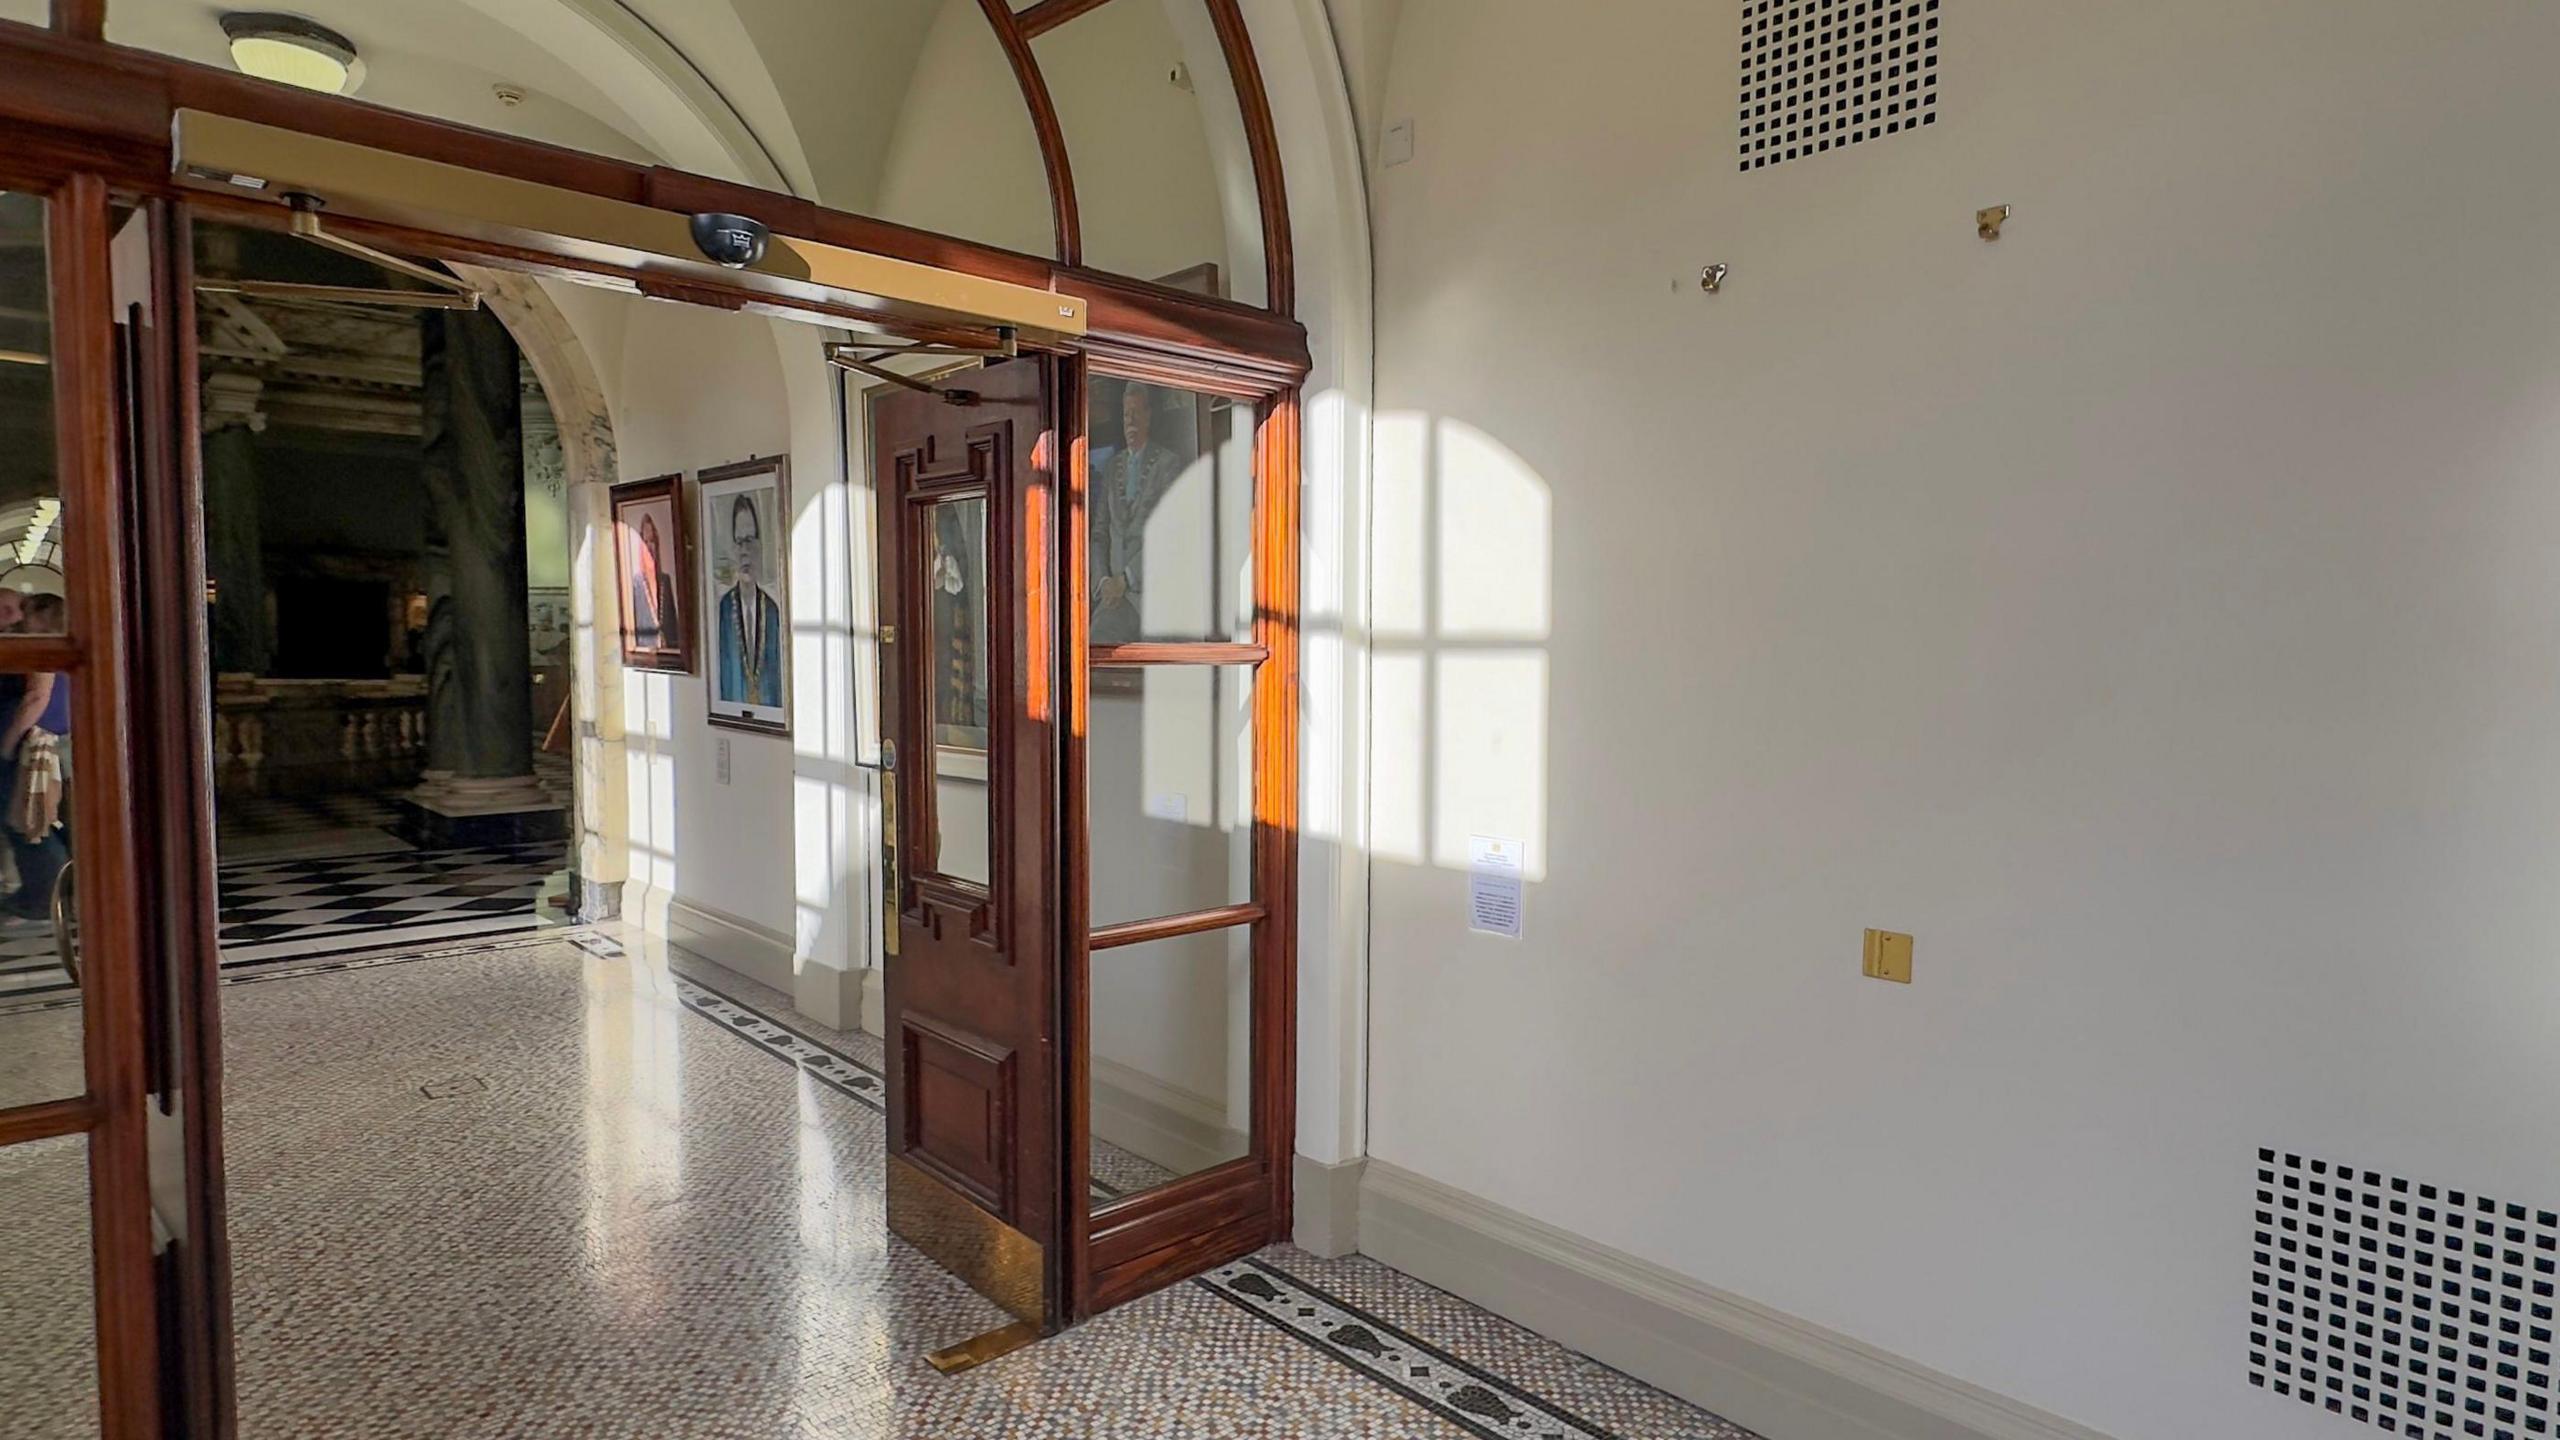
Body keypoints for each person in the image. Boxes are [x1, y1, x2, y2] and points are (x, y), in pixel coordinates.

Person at [1091, 383, 1183, 645]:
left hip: (1149, 595)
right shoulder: (1112, 466)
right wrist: (1103, 582)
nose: (1129, 421)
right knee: (1091, 646)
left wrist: (1127, 578)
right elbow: (1098, 534)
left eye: (1135, 412)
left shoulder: (1167, 465)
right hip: (1112, 598)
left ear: (1149, 415)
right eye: (1125, 414)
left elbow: (1169, 536)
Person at [0, 592, 70, 920]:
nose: (17, 619)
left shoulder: (42, 647)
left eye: (23, 611)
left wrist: (7, 745)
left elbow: (36, 697)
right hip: (47, 741)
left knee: (28, 821)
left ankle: (44, 895)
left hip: (32, 745)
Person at [715, 494, 784, 709]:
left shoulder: (772, 610)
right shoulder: (725, 609)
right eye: (739, 542)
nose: (745, 551)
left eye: (750, 541)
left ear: (760, 546)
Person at [627, 513, 678, 650]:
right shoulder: (636, 584)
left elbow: (673, 626)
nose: (649, 546)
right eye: (646, 541)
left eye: (652, 541)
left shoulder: (665, 581)